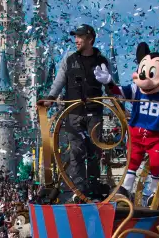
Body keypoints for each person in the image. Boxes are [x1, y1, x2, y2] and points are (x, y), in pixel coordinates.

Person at [39, 24, 111, 200]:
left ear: (90, 39)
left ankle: (93, 190)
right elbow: (59, 81)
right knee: (76, 151)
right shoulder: (69, 60)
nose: (76, 40)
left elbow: (109, 85)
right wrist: (50, 98)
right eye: (75, 37)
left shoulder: (101, 61)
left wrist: (119, 106)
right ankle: (79, 190)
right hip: (73, 113)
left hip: (94, 113)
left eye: (79, 37)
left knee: (94, 152)